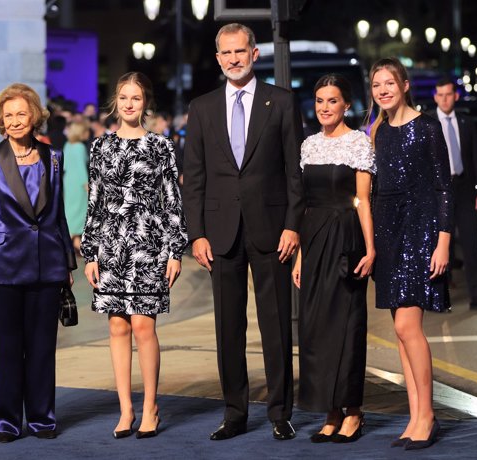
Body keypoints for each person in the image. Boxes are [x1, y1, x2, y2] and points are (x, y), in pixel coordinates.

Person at [182, 23, 304, 441]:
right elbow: (194, 177)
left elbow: (294, 172)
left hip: (272, 230)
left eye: (240, 51)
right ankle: (234, 413)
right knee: (227, 328)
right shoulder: (201, 108)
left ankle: (280, 413)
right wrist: (195, 233)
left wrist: (293, 224)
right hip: (219, 233)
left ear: (255, 54)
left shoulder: (283, 103)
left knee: (275, 326)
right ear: (218, 59)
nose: (233, 59)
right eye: (225, 53)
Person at [81, 72, 187, 440]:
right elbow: (94, 203)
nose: (129, 104)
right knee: (117, 325)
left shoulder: (161, 146)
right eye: (124, 97)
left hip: (148, 243)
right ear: (115, 100)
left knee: (144, 325)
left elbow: (173, 201)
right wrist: (90, 251)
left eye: (136, 98)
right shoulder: (100, 147)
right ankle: (125, 408)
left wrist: (175, 251)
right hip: (110, 243)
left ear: (145, 103)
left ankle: (151, 406)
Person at [0, 83, 77, 443]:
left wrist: (67, 264)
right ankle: (7, 421)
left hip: (47, 265)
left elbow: (58, 214)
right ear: (1, 120)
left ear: (35, 118)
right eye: (8, 115)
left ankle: (43, 418)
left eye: (21, 114)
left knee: (44, 348)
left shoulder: (54, 157)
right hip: (3, 266)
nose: (14, 121)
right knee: (8, 348)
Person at [369, 58, 453, 450]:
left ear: (404, 85)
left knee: (407, 327)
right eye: (376, 85)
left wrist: (443, 240)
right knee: (400, 334)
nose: (383, 90)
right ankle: (415, 414)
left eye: (389, 83)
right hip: (388, 232)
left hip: (420, 232)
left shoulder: (427, 128)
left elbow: (443, 188)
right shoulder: (378, 132)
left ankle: (428, 415)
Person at [291, 74, 375, 444]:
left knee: (347, 325)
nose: (325, 107)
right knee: (314, 329)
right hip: (314, 239)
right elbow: (305, 206)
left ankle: (352, 411)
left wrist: (371, 249)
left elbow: (363, 201)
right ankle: (329, 410)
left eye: (333, 101)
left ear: (345, 105)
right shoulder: (308, 146)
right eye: (320, 100)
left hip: (346, 238)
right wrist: (298, 257)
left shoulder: (358, 143)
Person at [432, 78, 477, 312]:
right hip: (439, 190)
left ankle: (476, 295)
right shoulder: (429, 123)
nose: (444, 99)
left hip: (463, 188)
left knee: (471, 244)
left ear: (456, 96)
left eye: (448, 94)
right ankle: (439, 298)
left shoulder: (466, 123)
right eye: (440, 95)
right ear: (435, 97)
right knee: (440, 244)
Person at [62, 121, 90, 254]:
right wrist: (86, 184)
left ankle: (76, 243)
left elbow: (65, 165)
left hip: (69, 181)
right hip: (79, 183)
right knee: (79, 211)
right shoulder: (80, 147)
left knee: (71, 210)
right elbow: (81, 167)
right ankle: (69, 241)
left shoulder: (67, 145)